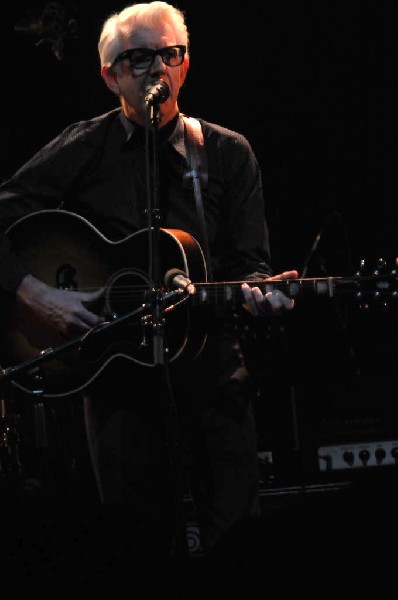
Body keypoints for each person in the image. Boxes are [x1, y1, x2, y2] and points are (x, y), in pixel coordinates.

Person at [0, 1, 298, 573]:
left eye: (169, 54)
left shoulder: (227, 154)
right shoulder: (84, 148)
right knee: (136, 556)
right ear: (111, 75)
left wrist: (263, 296)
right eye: (138, 58)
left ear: (186, 66)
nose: (156, 68)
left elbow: (251, 264)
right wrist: (36, 293)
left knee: (239, 549)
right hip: (116, 386)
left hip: (214, 375)